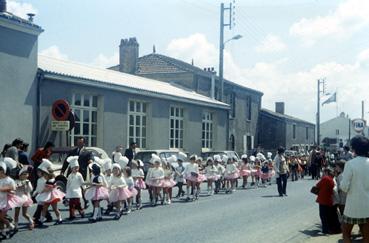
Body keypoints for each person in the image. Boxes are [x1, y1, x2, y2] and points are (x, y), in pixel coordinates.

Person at [340, 136, 369, 243]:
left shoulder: (350, 164)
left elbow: (344, 187)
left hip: (352, 207)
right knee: (367, 236)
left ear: (354, 149)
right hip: (367, 206)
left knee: (346, 233)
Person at [62, 137, 93, 209]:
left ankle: (86, 201)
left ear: (84, 143)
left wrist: (91, 162)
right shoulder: (72, 151)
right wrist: (63, 170)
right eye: (78, 142)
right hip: (72, 173)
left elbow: (91, 160)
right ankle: (70, 202)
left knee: (82, 187)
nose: (79, 144)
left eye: (81, 142)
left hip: (81, 173)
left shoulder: (87, 152)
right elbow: (66, 161)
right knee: (71, 187)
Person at [314, 168, 341, 234]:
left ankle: (325, 230)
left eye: (324, 172)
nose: (323, 173)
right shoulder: (332, 180)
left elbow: (317, 185)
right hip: (329, 200)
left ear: (327, 173)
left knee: (323, 216)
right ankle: (332, 229)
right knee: (330, 215)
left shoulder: (325, 179)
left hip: (323, 199)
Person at [0, 161, 18, 238]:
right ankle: (3, 232)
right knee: (0, 219)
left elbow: (13, 190)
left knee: (1, 217)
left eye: (1, 171)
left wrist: (5, 189)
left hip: (5, 201)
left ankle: (12, 226)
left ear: (4, 171)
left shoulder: (10, 180)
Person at [14, 166, 34, 230]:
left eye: (26, 174)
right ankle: (16, 226)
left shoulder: (27, 181)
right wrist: (18, 185)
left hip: (25, 199)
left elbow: (30, 190)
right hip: (17, 198)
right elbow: (14, 188)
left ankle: (31, 222)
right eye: (24, 174)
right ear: (20, 175)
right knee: (16, 213)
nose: (26, 175)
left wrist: (27, 185)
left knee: (24, 214)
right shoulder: (16, 181)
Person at [65, 156, 85, 220]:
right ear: (71, 168)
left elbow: (82, 182)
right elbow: (68, 184)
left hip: (77, 191)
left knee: (77, 203)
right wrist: (67, 190)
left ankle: (81, 212)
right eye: (75, 168)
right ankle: (72, 215)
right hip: (71, 191)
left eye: (77, 168)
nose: (76, 169)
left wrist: (84, 188)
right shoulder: (70, 176)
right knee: (71, 204)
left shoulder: (79, 175)